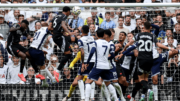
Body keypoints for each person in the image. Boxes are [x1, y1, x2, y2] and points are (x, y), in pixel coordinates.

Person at [62, 25, 95, 101]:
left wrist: (83, 63)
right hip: (93, 61)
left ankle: (85, 98)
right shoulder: (92, 38)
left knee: (84, 79)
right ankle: (69, 96)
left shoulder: (81, 40)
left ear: (82, 31)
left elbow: (82, 52)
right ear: (89, 31)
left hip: (86, 61)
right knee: (78, 81)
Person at [84, 29, 117, 101]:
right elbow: (112, 55)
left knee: (88, 82)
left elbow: (92, 52)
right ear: (103, 34)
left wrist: (87, 62)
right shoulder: (108, 43)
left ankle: (86, 99)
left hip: (98, 65)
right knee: (108, 83)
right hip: (106, 66)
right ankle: (116, 99)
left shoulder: (95, 42)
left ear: (96, 34)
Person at [48, 6, 78, 80]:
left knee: (74, 39)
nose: (70, 13)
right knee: (68, 55)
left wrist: (60, 31)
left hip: (57, 36)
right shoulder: (64, 16)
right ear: (67, 11)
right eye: (69, 12)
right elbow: (63, 25)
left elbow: (49, 28)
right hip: (59, 37)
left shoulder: (56, 16)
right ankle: (57, 71)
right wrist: (69, 32)